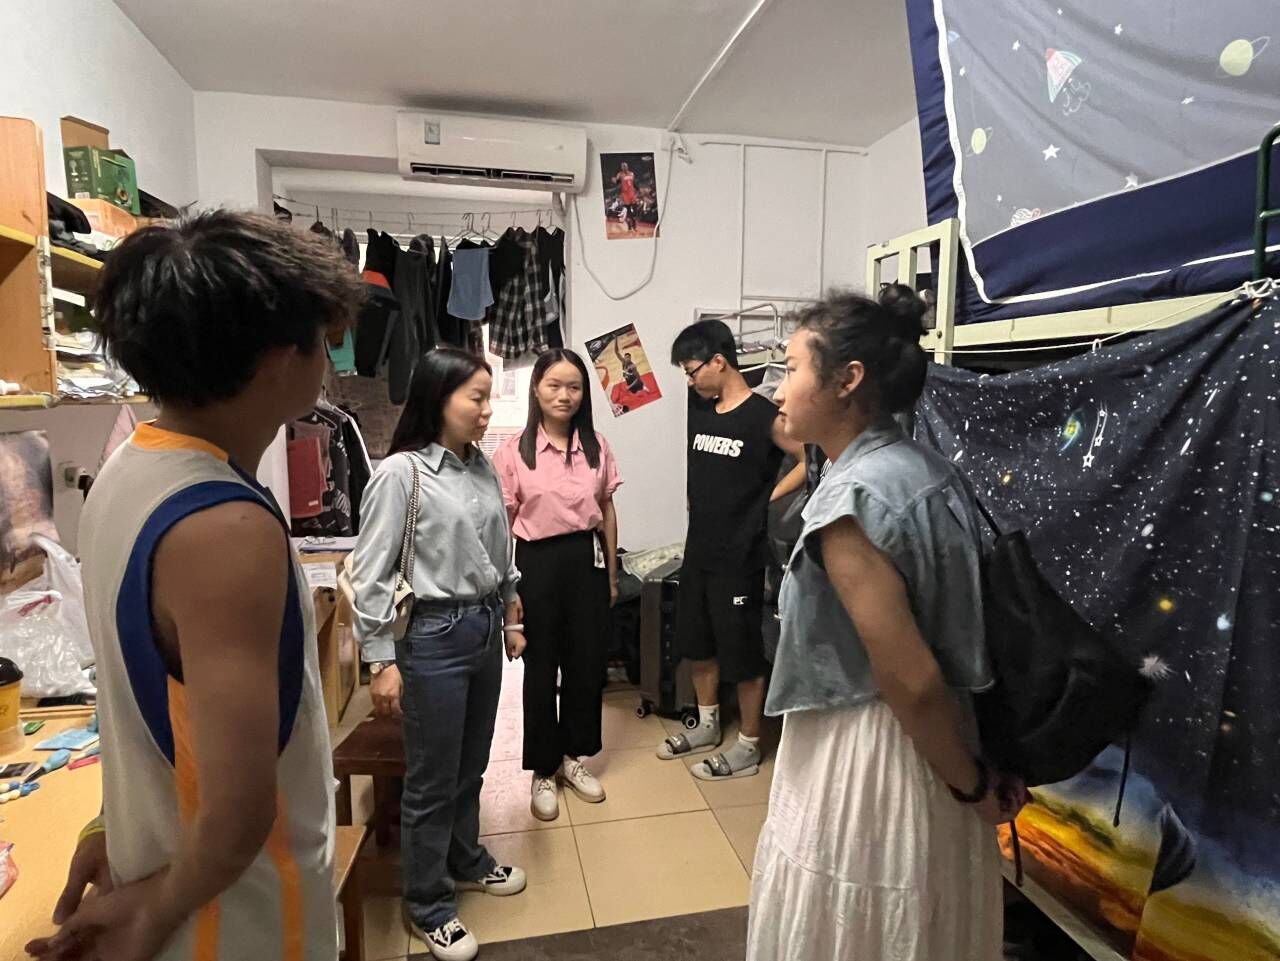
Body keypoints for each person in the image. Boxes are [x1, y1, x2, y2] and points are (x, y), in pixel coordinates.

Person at [27, 211, 363, 961]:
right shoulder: (224, 528)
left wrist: (113, 822)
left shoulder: (128, 469)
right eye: (322, 340)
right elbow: (240, 813)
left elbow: (142, 696)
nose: (327, 361)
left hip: (167, 872)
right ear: (280, 357)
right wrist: (153, 913)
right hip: (232, 921)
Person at [746, 287, 1027, 960]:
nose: (778, 389)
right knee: (927, 920)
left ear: (847, 380)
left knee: (861, 924)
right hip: (937, 739)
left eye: (792, 367)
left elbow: (912, 679)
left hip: (871, 757)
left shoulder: (851, 500)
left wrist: (972, 786)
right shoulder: (923, 468)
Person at [348, 348, 526, 961]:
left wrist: (511, 613)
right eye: (476, 397)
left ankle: (466, 857)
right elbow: (369, 575)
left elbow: (499, 552)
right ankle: (427, 903)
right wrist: (381, 660)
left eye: (488, 397)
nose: (487, 409)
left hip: (484, 628)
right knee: (431, 778)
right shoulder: (402, 474)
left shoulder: (481, 466)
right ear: (438, 397)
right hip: (432, 638)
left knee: (471, 764)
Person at [661, 319, 803, 779]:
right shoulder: (700, 408)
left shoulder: (763, 415)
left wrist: (768, 498)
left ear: (719, 362)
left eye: (692, 370)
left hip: (740, 554)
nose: (689, 380)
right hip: (699, 547)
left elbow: (810, 458)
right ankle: (707, 725)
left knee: (741, 652)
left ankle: (748, 745)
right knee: (698, 642)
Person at [493, 349, 623, 823]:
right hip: (536, 564)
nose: (564, 395)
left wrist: (611, 575)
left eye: (574, 386)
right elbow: (502, 527)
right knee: (541, 669)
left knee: (586, 666)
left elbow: (606, 510)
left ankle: (573, 757)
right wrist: (509, 599)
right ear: (536, 388)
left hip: (587, 561)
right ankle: (543, 769)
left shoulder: (597, 445)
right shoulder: (513, 451)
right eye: (554, 385)